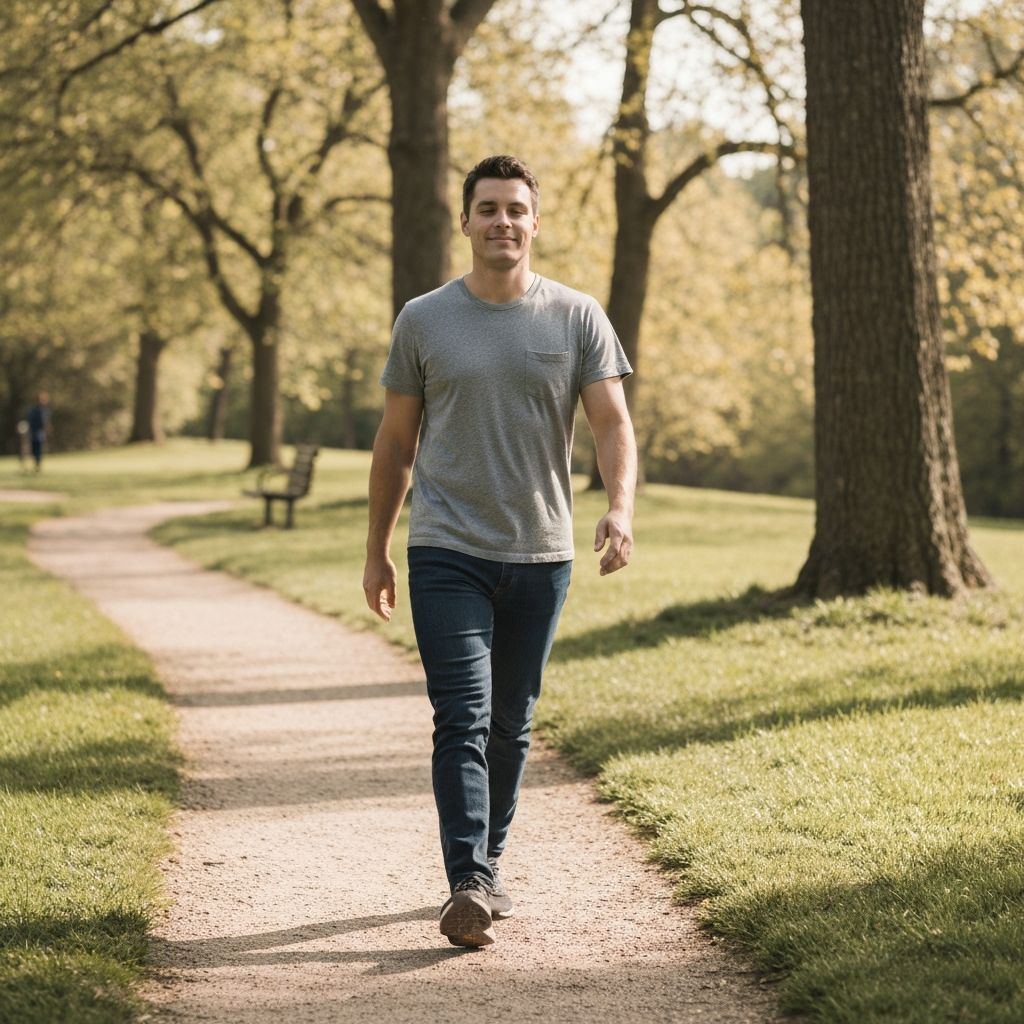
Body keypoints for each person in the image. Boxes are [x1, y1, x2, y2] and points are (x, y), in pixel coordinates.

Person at [362, 155, 637, 948]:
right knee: (464, 715)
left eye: (516, 209)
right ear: (465, 221)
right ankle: (468, 881)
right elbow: (395, 443)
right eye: (487, 209)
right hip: (446, 548)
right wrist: (378, 549)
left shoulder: (577, 316)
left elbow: (613, 423)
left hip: (543, 555)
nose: (502, 222)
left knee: (512, 724)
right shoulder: (423, 319)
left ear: (535, 222)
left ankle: (489, 861)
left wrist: (620, 507)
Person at [26, 392, 51, 472]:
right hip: (34, 432)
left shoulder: (45, 410)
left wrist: (47, 429)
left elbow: (46, 422)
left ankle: (38, 465)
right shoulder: (34, 410)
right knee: (34, 449)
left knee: (39, 449)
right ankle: (36, 464)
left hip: (40, 433)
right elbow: (30, 421)